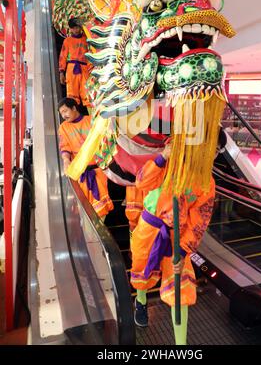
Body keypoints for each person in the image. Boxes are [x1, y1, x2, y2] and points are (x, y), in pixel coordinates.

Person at [130, 142, 216, 345]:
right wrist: (162, 158)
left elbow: (199, 221)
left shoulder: (207, 182)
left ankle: (180, 345)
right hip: (149, 227)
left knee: (181, 288)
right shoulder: (169, 162)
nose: (210, 156)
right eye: (208, 149)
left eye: (215, 152)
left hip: (177, 237)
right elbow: (141, 183)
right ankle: (141, 301)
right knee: (142, 270)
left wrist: (184, 249)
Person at [58, 98, 113, 219]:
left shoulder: (91, 121)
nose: (63, 115)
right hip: (80, 174)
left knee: (100, 211)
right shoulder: (63, 127)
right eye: (61, 113)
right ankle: (89, 236)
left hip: (98, 171)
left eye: (65, 111)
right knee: (83, 211)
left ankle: (97, 235)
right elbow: (65, 147)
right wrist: (66, 160)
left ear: (74, 108)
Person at [59, 17, 91, 108]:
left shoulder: (87, 39)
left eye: (77, 27)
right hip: (72, 69)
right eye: (73, 28)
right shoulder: (67, 41)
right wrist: (61, 72)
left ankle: (92, 116)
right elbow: (63, 56)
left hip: (85, 68)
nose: (76, 30)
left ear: (81, 27)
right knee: (72, 95)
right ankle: (74, 116)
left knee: (88, 94)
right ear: (70, 29)